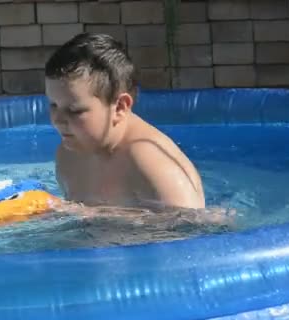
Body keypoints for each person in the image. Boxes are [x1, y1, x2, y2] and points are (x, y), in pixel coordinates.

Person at [44, 33, 233, 226]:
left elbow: (195, 229)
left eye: (75, 110)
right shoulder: (69, 153)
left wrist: (94, 214)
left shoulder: (151, 162)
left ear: (119, 107)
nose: (57, 120)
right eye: (53, 105)